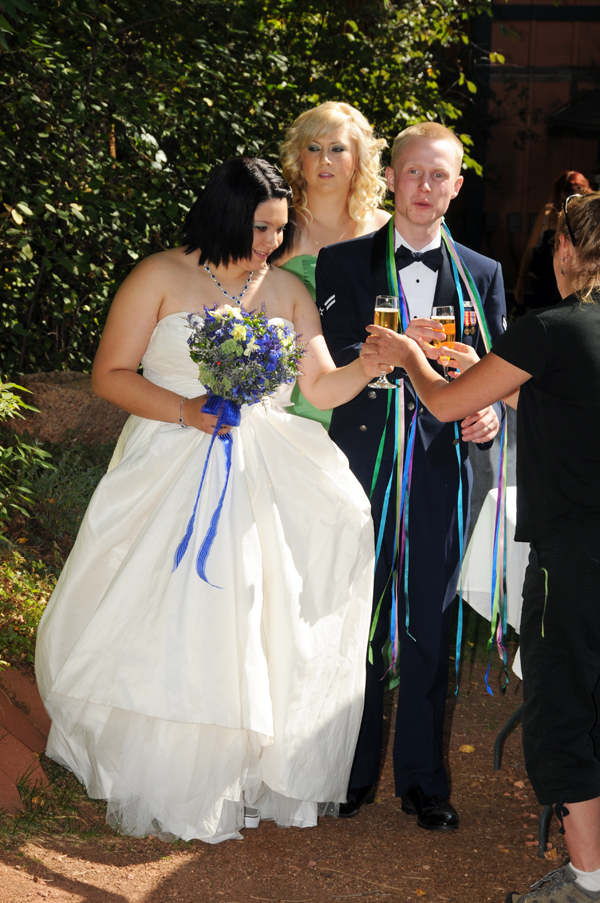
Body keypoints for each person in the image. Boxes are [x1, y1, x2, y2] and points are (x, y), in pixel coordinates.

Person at [35, 156, 389, 844]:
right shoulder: (160, 275)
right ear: (226, 214)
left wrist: (367, 368)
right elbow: (109, 374)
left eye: (281, 232)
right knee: (175, 618)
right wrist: (185, 409)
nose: (271, 245)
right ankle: (164, 771)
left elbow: (317, 389)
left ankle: (248, 770)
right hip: (170, 457)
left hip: (265, 470)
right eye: (261, 228)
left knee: (258, 611)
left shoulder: (287, 289)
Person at [364, 190, 600, 903]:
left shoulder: (550, 329)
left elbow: (442, 404)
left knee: (566, 710)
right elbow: (569, 403)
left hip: (576, 557)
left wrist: (410, 355)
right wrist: (493, 374)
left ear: (563, 250)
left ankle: (587, 878)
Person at [317, 122, 506, 828]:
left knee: (430, 621)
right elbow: (329, 360)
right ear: (391, 178)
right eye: (414, 174)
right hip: (360, 468)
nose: (426, 188)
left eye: (441, 177)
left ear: (458, 186)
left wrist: (490, 416)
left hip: (443, 474)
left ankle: (424, 780)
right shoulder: (341, 264)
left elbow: (498, 373)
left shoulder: (482, 274)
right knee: (355, 617)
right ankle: (349, 767)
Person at [278, 101, 390, 428]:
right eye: (314, 148)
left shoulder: (387, 231)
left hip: (372, 393)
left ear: (358, 160)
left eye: (337, 148)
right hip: (292, 394)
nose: (324, 159)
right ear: (299, 158)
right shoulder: (276, 227)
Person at [514, 170, 591, 309]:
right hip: (548, 280)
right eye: (563, 200)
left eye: (572, 199)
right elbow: (531, 248)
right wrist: (521, 280)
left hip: (577, 281)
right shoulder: (548, 212)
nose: (568, 205)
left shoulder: (588, 216)